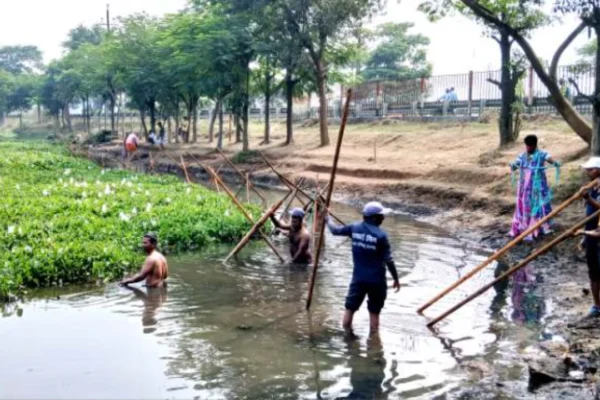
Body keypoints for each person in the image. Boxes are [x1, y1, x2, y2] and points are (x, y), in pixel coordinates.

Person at [324, 201, 400, 333]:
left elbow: (334, 230)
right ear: (374, 218)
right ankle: (374, 344)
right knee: (374, 313)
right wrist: (396, 279)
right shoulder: (381, 236)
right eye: (381, 216)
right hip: (377, 281)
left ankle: (347, 339)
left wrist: (327, 218)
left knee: (350, 309)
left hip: (358, 279)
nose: (383, 218)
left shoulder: (354, 228)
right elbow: (389, 260)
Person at [509, 135, 561, 240]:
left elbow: (550, 159)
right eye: (527, 146)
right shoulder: (522, 156)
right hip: (525, 188)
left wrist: (555, 163)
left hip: (538, 187)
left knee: (539, 205)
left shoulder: (542, 154)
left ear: (535, 145)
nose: (528, 148)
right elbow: (516, 164)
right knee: (525, 205)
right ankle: (525, 225)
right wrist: (513, 165)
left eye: (530, 146)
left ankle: (541, 226)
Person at [574, 157, 600, 318]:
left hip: (598, 233)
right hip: (591, 231)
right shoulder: (593, 187)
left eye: (590, 169)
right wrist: (585, 236)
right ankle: (597, 306)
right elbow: (589, 214)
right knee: (593, 272)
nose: (587, 171)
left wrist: (588, 198)